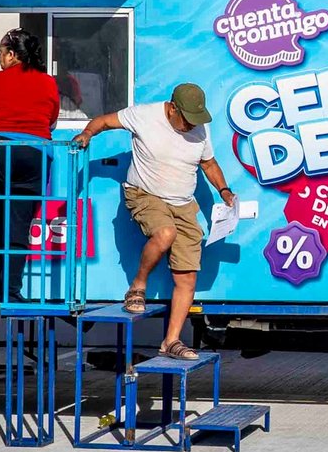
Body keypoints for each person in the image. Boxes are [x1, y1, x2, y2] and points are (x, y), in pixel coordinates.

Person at [72, 82, 235, 361]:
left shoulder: (199, 128)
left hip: (183, 204)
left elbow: (208, 164)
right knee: (165, 233)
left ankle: (171, 341)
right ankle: (137, 287)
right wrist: (87, 134)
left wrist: (224, 191)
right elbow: (104, 121)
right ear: (172, 109)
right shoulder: (144, 115)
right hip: (145, 195)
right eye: (187, 119)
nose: (191, 125)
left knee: (187, 276)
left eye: (196, 120)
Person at [0, 28, 59, 303]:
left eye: (1, 52)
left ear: (12, 55)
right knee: (19, 223)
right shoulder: (47, 83)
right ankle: (11, 291)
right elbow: (51, 118)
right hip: (32, 154)